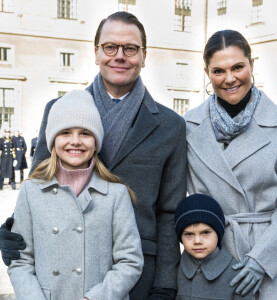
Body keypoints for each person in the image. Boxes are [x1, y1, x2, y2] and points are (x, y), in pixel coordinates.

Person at [0, 11, 186, 299]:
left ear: (144, 56)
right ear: (96, 52)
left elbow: (169, 214)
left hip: (137, 277)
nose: (120, 56)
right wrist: (13, 229)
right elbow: (41, 179)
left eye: (131, 48)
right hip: (60, 272)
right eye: (110, 47)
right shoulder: (58, 110)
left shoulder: (171, 126)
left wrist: (164, 285)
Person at [184, 29, 277, 299]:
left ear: (252, 65)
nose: (229, 79)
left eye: (238, 67)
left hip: (263, 254)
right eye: (218, 71)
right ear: (207, 73)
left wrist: (263, 259)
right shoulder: (190, 126)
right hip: (208, 254)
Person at [7, 90, 143, 300]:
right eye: (65, 133)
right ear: (52, 140)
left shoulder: (116, 194)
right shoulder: (31, 191)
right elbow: (21, 261)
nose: (76, 141)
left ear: (96, 142)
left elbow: (130, 261)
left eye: (85, 133)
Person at [174, 194, 254, 300]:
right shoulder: (174, 268)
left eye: (205, 232)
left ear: (218, 233)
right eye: (189, 234)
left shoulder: (236, 275)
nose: (197, 241)